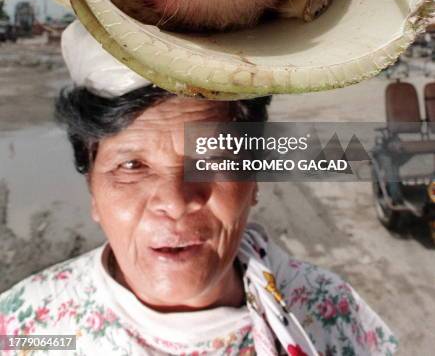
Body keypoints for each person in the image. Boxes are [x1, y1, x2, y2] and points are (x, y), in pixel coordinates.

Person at [0, 22, 398, 356]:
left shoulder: (332, 319)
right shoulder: (30, 329)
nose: (175, 202)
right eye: (132, 165)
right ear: (93, 189)